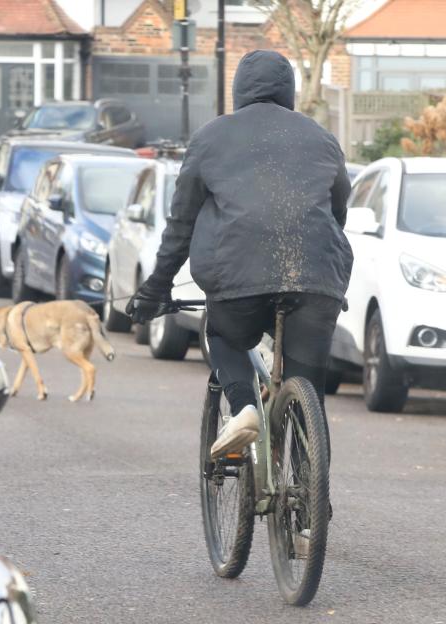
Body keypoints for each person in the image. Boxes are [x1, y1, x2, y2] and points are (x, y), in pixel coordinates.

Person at [126, 50, 353, 460]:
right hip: (317, 279)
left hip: (236, 277)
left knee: (223, 335)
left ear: (237, 91)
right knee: (309, 387)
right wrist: (326, 281)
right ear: (289, 92)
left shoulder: (211, 137)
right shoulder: (322, 137)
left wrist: (155, 288)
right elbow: (337, 214)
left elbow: (182, 224)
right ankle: (311, 498)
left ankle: (243, 406)